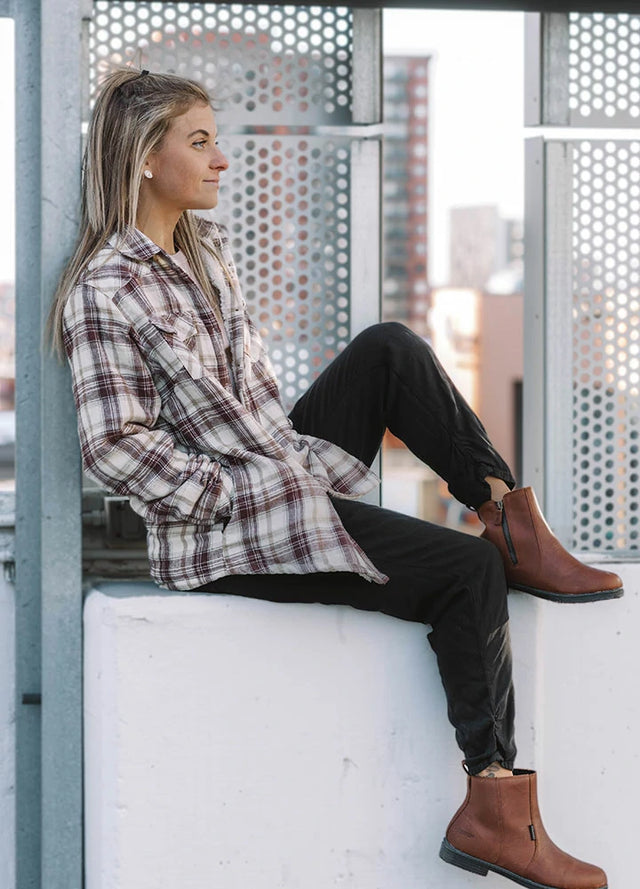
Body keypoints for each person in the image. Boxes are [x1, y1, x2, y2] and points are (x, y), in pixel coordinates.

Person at [51, 68, 622, 889]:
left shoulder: (205, 254)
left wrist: (292, 467)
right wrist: (243, 493)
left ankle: (509, 517)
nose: (221, 160)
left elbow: (254, 402)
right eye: (200, 142)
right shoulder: (105, 289)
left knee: (390, 348)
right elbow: (115, 447)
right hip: (222, 534)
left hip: (275, 471)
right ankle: (495, 807)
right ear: (144, 157)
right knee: (466, 571)